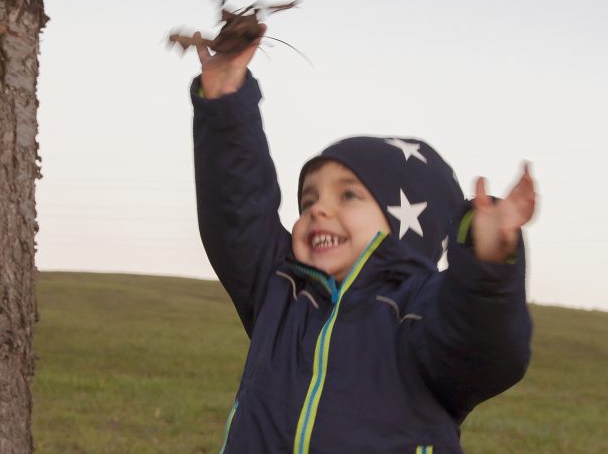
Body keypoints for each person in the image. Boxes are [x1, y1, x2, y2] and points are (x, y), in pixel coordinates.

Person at [189, 27, 536, 454]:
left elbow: (485, 348)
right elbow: (236, 211)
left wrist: (487, 265)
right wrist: (226, 103)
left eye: (348, 195)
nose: (317, 209)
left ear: (405, 224)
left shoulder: (421, 310)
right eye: (308, 199)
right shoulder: (282, 291)